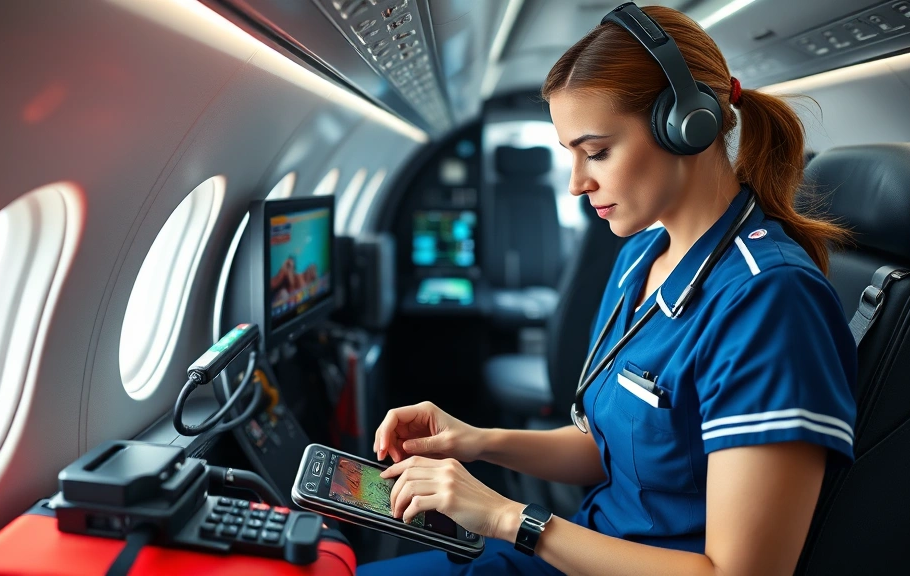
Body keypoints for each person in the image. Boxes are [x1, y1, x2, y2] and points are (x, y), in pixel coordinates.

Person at [357, 3, 857, 575]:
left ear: (686, 125)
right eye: (571, 155)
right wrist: (475, 440)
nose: (576, 183)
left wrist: (504, 517)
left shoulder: (770, 303)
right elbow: (605, 449)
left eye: (596, 152)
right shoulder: (639, 259)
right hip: (577, 553)